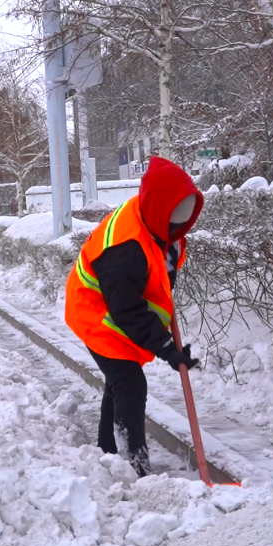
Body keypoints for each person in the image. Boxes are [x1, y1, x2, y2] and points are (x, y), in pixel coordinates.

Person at [64, 156, 203, 477]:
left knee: (120, 383)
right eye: (174, 218)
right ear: (158, 209)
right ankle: (133, 465)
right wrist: (167, 348)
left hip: (114, 304)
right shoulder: (125, 249)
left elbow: (158, 274)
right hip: (94, 311)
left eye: (182, 219)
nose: (178, 226)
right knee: (129, 382)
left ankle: (108, 452)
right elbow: (126, 310)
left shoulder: (161, 225)